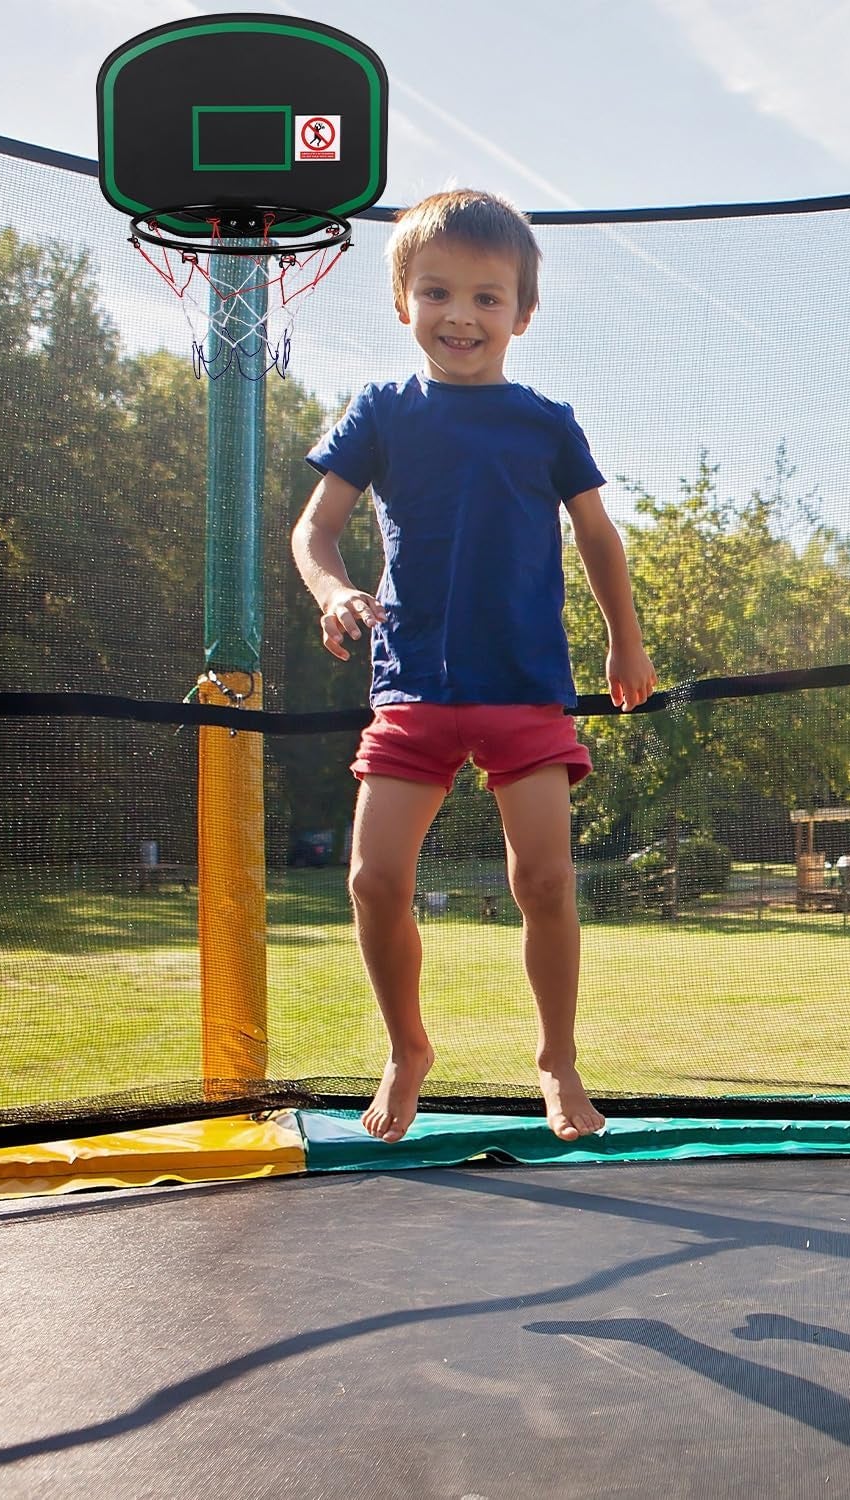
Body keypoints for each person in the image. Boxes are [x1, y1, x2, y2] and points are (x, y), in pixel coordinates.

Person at [292, 188, 656, 1145]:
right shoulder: (381, 412)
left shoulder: (544, 422)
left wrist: (626, 638)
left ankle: (557, 1060)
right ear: (403, 302)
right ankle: (408, 1047)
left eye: (488, 298)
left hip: (524, 688)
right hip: (411, 686)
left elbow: (597, 537)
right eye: (439, 292)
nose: (462, 315)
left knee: (543, 880)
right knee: (374, 881)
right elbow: (316, 530)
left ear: (522, 314)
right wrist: (334, 594)